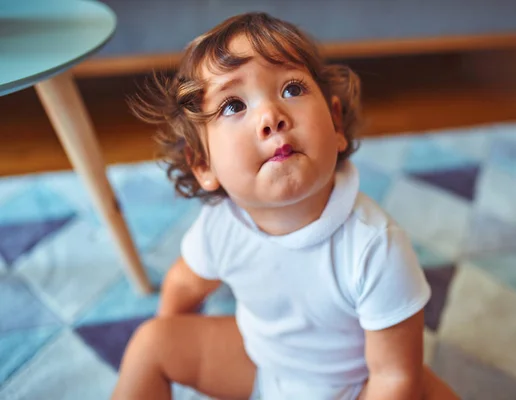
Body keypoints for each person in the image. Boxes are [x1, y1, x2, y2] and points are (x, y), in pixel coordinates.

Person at [111, 12, 459, 400]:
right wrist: (180, 337)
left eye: (291, 89)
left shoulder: (375, 245)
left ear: (336, 123)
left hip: (357, 387)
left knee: (426, 390)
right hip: (260, 366)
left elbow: (394, 377)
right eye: (233, 105)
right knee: (151, 342)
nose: (270, 117)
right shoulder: (221, 226)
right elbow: (184, 284)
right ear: (204, 165)